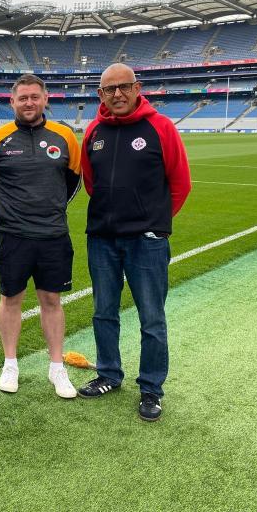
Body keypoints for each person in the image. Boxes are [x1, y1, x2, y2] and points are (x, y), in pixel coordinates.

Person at [77, 63, 191, 421]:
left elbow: (180, 183)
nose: (117, 95)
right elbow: (92, 183)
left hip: (147, 242)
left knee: (152, 318)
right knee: (103, 312)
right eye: (109, 89)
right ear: (100, 95)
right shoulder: (93, 130)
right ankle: (109, 374)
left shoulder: (161, 127)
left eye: (124, 87)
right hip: (103, 240)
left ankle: (151, 388)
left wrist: (153, 223)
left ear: (137, 87)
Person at [0, 74, 82, 398]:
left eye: (34, 97)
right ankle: (10, 363)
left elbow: (73, 181)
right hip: (11, 234)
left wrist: (51, 208)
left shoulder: (65, 136)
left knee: (52, 300)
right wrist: (5, 209)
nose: (29, 102)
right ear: (11, 102)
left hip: (53, 234)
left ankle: (57, 367)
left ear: (46, 100)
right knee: (10, 298)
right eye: (22, 97)